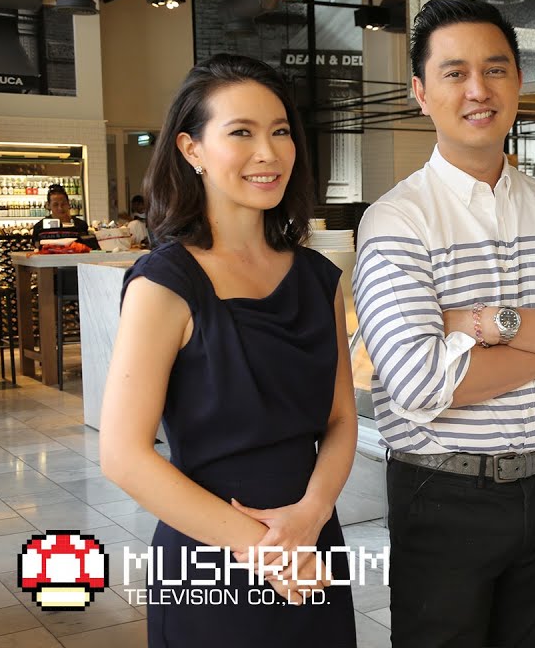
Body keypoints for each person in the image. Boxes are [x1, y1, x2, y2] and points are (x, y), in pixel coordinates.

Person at [353, 0, 535, 647]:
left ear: (517, 82)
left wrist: (492, 325)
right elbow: (420, 382)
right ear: (421, 92)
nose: (478, 89)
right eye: (454, 73)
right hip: (443, 493)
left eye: (495, 69)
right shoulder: (398, 220)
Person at [98, 54, 357, 647]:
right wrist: (269, 551)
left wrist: (312, 516)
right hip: (213, 554)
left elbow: (342, 418)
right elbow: (123, 456)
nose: (269, 152)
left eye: (281, 131)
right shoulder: (165, 283)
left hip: (312, 543)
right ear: (191, 149)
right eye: (242, 132)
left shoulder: (317, 278)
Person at [31, 184, 90, 248]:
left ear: (68, 204)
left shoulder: (80, 225)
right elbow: (37, 249)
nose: (60, 208)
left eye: (63, 204)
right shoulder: (39, 227)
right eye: (55, 205)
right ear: (49, 205)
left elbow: (87, 248)